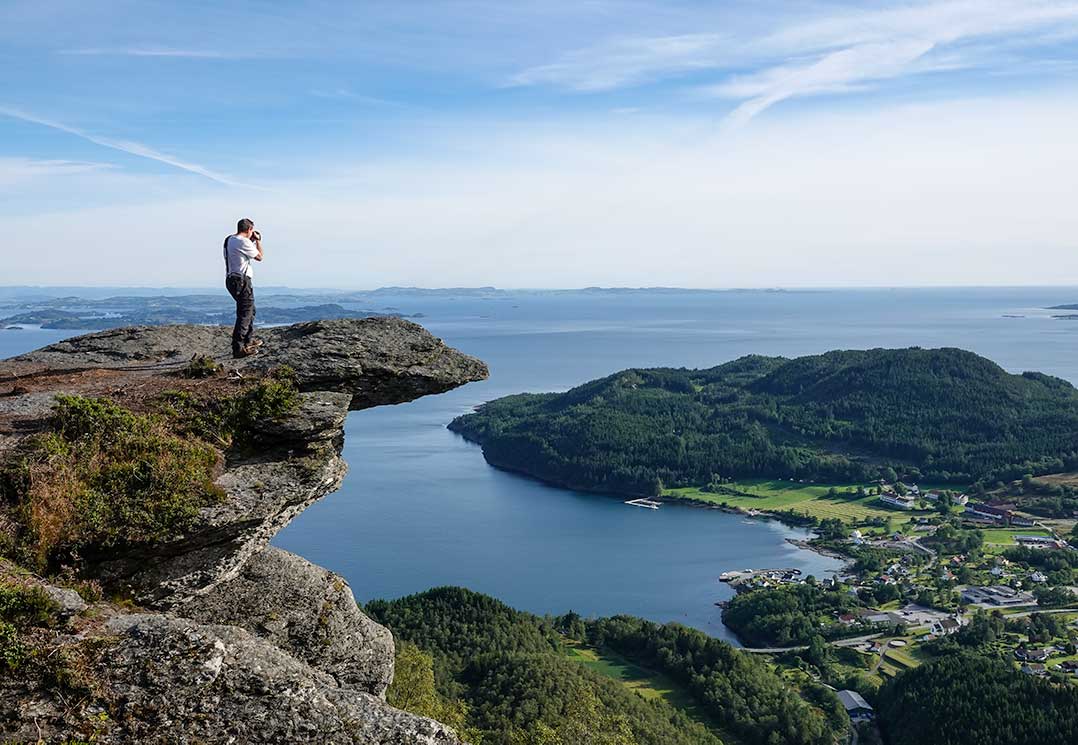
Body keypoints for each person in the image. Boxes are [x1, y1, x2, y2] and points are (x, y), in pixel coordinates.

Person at [223, 218, 264, 358]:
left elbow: (240, 251)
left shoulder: (230, 239)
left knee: (250, 310)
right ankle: (238, 348)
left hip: (231, 279)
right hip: (241, 280)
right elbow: (259, 257)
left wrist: (250, 241)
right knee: (245, 313)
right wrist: (258, 241)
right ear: (249, 229)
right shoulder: (243, 241)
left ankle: (247, 340)